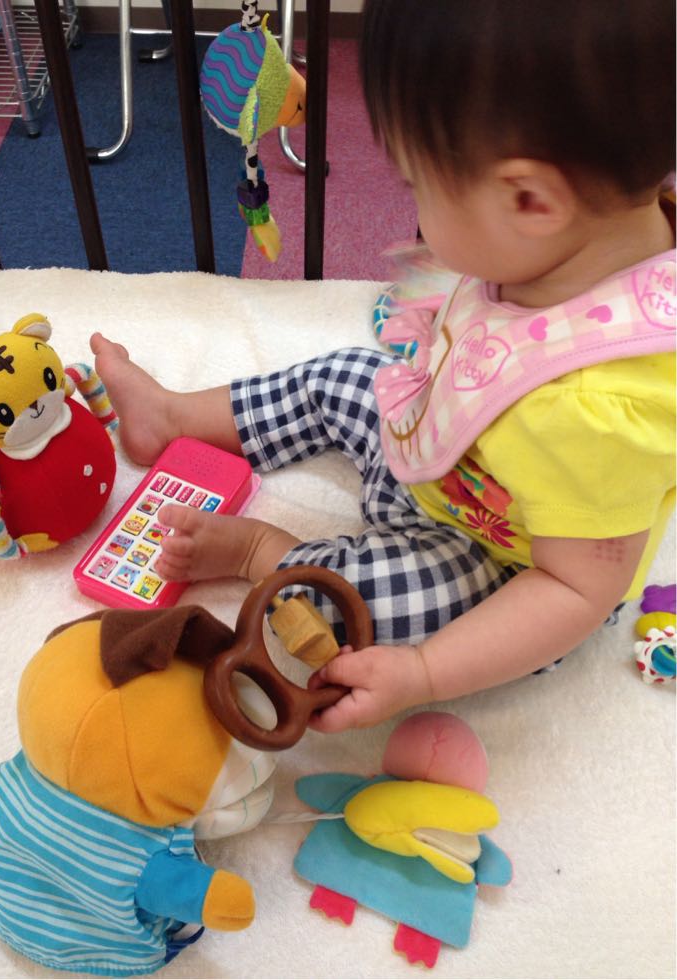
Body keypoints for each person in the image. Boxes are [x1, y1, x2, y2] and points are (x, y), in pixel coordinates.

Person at [91, 0, 675, 733]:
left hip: (503, 560)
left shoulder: (594, 411)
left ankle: (264, 553)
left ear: (530, 200)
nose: (414, 210)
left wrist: (423, 671)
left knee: (356, 609)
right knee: (344, 373)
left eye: (417, 186)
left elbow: (572, 591)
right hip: (444, 448)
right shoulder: (580, 236)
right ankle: (175, 416)